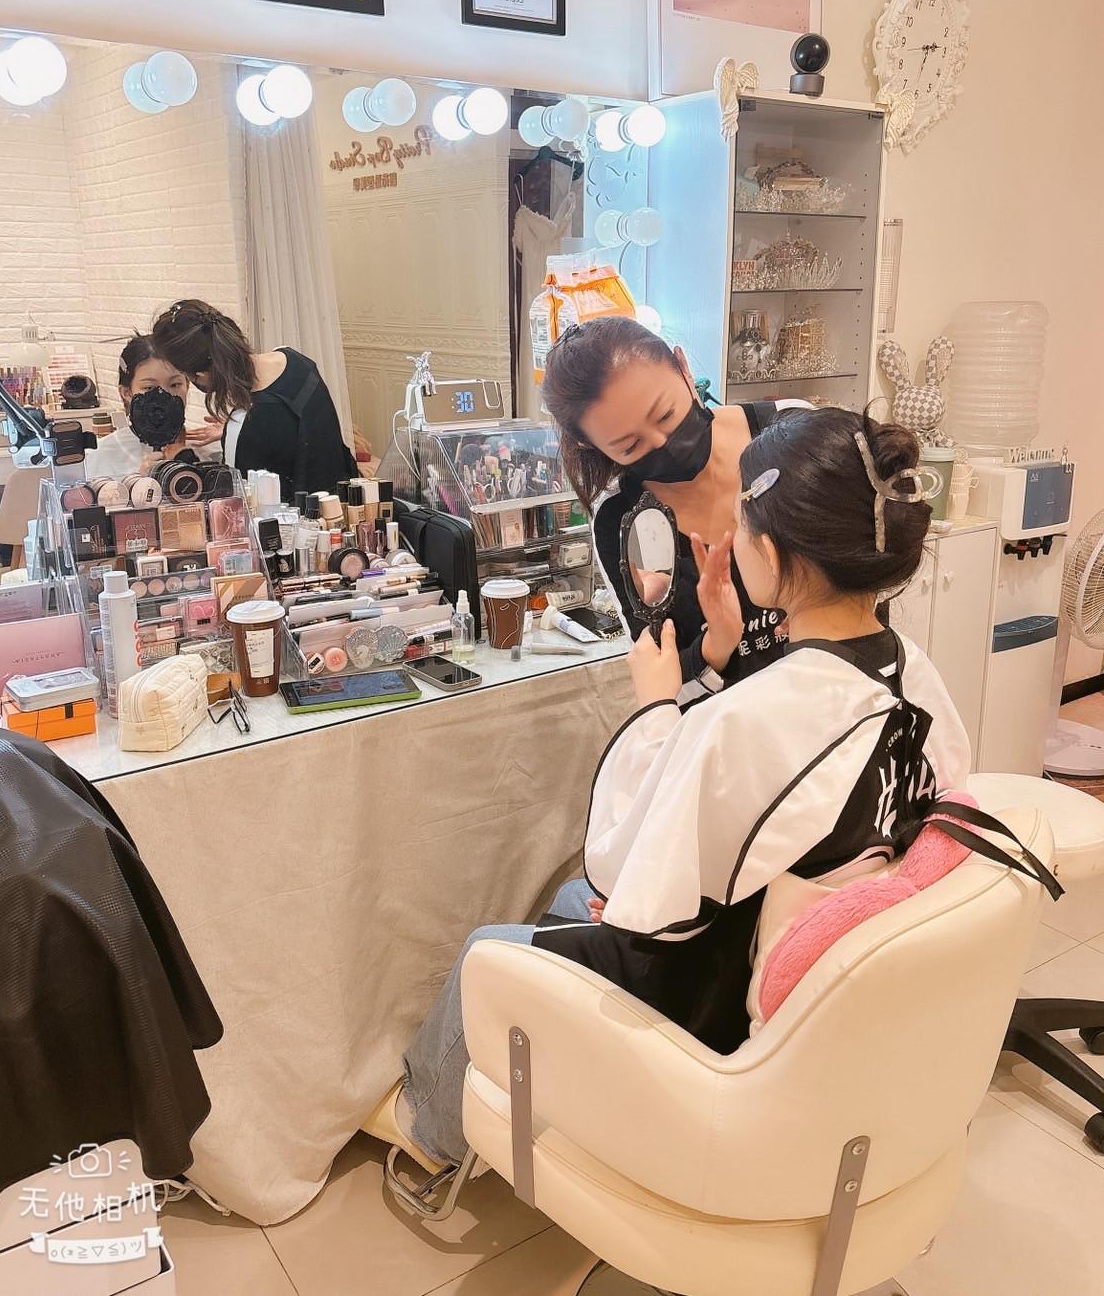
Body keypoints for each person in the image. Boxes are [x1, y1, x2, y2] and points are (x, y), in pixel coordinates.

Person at [370, 407, 976, 1171]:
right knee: (569, 901)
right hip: (800, 952)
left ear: (769, 551)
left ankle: (425, 1126)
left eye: (743, 520)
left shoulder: (757, 717)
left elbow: (622, 864)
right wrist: (719, 649)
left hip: (714, 995)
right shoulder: (914, 672)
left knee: (484, 951)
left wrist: (657, 703)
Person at [542, 317, 810, 705]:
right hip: (721, 730)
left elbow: (871, 565)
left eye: (666, 415)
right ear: (589, 445)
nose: (663, 442)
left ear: (683, 367)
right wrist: (717, 643)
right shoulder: (625, 522)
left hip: (843, 710)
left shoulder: (791, 432)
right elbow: (660, 681)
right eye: (629, 446)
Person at [151, 300, 358, 503]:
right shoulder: (295, 360)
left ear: (201, 375)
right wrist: (234, 430)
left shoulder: (246, 426)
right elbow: (294, 429)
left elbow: (229, 503)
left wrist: (181, 456)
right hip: (344, 501)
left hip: (301, 522)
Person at [84, 335, 222, 480]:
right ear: (127, 392)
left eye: (174, 385)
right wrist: (137, 484)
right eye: (149, 387)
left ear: (187, 385)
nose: (164, 396)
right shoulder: (99, 456)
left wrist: (233, 434)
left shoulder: (211, 450)